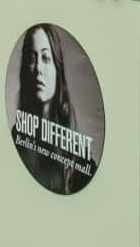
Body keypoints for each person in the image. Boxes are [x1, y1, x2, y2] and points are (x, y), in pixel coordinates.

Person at [10, 24, 95, 194]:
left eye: (46, 58)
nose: (39, 69)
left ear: (58, 69)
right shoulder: (17, 134)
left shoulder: (77, 156)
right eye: (32, 59)